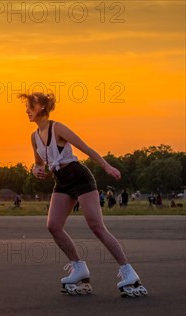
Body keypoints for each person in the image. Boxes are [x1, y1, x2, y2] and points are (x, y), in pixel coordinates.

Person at [21, 92, 146, 297]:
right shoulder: (34, 137)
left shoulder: (57, 128)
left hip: (79, 177)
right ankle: (79, 268)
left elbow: (86, 148)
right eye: (26, 107)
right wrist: (35, 171)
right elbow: (38, 164)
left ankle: (128, 272)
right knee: (53, 226)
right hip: (61, 181)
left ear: (42, 107)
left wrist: (106, 167)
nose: (26, 110)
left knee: (96, 226)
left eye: (30, 106)